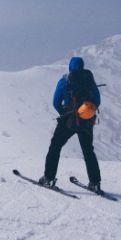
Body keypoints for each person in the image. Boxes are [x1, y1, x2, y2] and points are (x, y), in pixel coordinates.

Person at [39, 56, 102, 192]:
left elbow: (56, 102)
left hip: (69, 120)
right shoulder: (89, 80)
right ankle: (95, 183)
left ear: (70, 67)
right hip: (86, 121)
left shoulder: (64, 80)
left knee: (55, 147)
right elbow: (97, 100)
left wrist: (63, 112)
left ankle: (49, 178)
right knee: (88, 151)